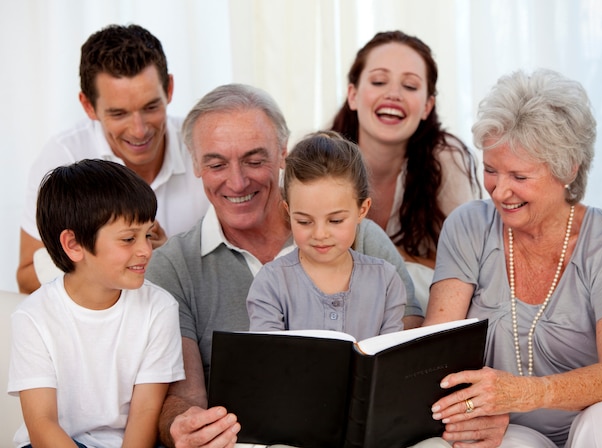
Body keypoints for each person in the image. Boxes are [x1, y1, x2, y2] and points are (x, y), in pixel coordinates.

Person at [145, 83, 424, 448]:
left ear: (282, 153)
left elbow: (408, 354)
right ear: (195, 164)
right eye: (216, 163)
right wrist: (183, 426)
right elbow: (185, 397)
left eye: (255, 160)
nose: (237, 181)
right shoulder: (174, 267)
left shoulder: (361, 238)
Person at [423, 68, 602, 447]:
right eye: (490, 170)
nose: (500, 191)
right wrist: (473, 412)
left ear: (567, 169)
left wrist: (527, 393)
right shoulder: (469, 226)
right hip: (503, 429)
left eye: (519, 176)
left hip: (586, 425)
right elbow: (432, 355)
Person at [16, 23, 209, 294]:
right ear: (87, 106)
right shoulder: (63, 157)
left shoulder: (203, 147)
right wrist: (113, 255)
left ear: (169, 89)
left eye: (151, 107)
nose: (139, 130)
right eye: (119, 114)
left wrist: (167, 256)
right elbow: (26, 278)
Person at [8, 159, 185, 448]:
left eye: (148, 234)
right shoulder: (33, 316)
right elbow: (42, 424)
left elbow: (144, 414)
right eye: (129, 238)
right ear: (74, 245)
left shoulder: (159, 308)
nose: (145, 250)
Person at [330, 30, 481, 313]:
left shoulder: (447, 160)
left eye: (410, 86)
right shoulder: (318, 157)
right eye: (378, 81)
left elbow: (472, 270)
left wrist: (378, 254)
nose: (393, 94)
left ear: (427, 106)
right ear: (353, 95)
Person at [247, 130, 405, 340]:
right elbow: (267, 361)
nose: (320, 234)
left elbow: (390, 361)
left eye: (336, 220)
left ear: (362, 209)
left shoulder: (386, 282)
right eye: (304, 221)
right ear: (288, 210)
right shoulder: (271, 283)